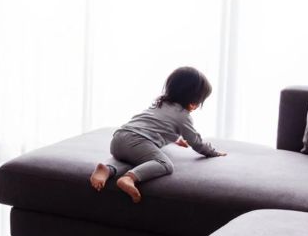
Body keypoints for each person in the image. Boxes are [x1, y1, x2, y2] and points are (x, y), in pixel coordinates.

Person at [89, 67, 227, 203]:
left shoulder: (160, 103)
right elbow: (196, 142)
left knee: (136, 161)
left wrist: (176, 139)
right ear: (193, 103)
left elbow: (155, 126)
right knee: (164, 164)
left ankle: (107, 169)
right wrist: (212, 153)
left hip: (118, 138)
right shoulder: (183, 116)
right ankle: (129, 178)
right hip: (137, 141)